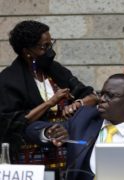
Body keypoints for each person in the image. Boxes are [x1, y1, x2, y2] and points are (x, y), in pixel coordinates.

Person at [26, 73, 124, 180]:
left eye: (110, 96)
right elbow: (31, 129)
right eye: (101, 94)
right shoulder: (84, 119)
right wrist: (49, 132)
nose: (101, 99)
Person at [0, 20, 97, 172]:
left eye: (50, 43)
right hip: (31, 156)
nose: (50, 51)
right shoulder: (9, 79)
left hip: (66, 151)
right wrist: (50, 103)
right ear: (27, 52)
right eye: (44, 47)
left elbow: (92, 96)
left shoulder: (55, 70)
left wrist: (78, 103)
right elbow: (13, 123)